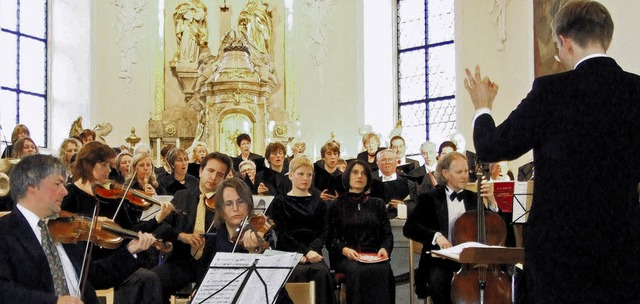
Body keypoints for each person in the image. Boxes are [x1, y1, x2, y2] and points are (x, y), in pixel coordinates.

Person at [463, 1, 640, 302]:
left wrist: (482, 106)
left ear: (565, 42)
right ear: (605, 37)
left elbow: (491, 147)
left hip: (561, 252)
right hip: (623, 248)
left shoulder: (550, 91)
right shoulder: (635, 91)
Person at [0, 154, 157, 303]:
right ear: (31, 185)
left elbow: (95, 275)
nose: (65, 191)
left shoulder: (64, 228)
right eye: (57, 184)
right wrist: (54, 302)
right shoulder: (5, 231)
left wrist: (130, 251)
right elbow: (4, 290)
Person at [61, 142, 171, 304]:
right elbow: (63, 228)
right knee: (142, 280)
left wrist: (156, 220)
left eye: (109, 165)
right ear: (87, 165)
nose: (110, 170)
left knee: (150, 278)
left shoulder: (109, 197)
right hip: (85, 267)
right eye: (103, 165)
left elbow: (128, 229)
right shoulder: (69, 196)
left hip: (115, 262)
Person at [403, 152, 499, 303]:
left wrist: (492, 201)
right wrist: (436, 236)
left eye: (466, 171)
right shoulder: (429, 198)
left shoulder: (473, 198)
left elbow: (494, 229)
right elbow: (410, 228)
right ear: (445, 173)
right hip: (440, 260)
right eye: (459, 172)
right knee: (439, 279)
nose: (464, 176)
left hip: (471, 261)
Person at [151, 152, 233, 303]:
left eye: (220, 174)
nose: (214, 178)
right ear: (201, 171)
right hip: (181, 262)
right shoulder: (181, 196)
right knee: (151, 280)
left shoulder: (227, 203)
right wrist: (181, 235)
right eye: (210, 171)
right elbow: (162, 226)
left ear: (224, 178)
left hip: (213, 266)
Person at [265, 156, 336, 304]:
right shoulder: (280, 202)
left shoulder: (319, 203)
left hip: (314, 254)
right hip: (288, 254)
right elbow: (281, 234)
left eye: (309, 175)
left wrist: (311, 252)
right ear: (291, 175)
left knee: (322, 273)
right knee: (293, 275)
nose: (305, 178)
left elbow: (323, 232)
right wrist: (301, 253)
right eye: (301, 174)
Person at [327, 160, 395, 303]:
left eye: (364, 173)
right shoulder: (336, 204)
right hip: (347, 257)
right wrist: (344, 250)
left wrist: (384, 249)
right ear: (347, 176)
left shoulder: (378, 204)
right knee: (358, 270)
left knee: (384, 269)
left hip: (374, 256)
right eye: (355, 172)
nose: (360, 176)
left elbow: (387, 235)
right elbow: (330, 237)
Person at [372, 149, 418, 218]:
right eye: (383, 160)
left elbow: (415, 205)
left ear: (396, 162)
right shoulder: (372, 184)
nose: (387, 162)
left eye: (390, 159)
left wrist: (401, 205)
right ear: (378, 164)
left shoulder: (408, 183)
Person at [171, 0, 208, 64]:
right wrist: (188, 12)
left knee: (193, 44)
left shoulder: (200, 6)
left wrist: (194, 13)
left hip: (195, 30)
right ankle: (184, 59)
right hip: (186, 28)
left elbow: (200, 17)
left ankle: (192, 59)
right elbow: (180, 13)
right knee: (185, 42)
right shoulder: (185, 4)